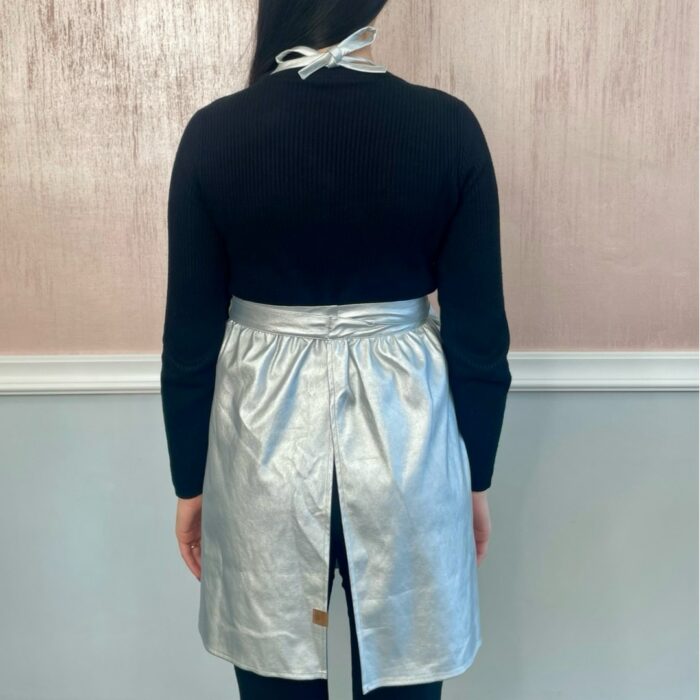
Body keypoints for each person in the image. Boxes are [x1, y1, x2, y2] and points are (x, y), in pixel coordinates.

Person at [160, 1, 512, 698]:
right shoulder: (448, 127)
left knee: (276, 680)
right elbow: (479, 340)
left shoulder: (215, 133)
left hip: (262, 448)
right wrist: (474, 476)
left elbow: (189, 343)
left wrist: (189, 484)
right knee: (407, 676)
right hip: (409, 442)